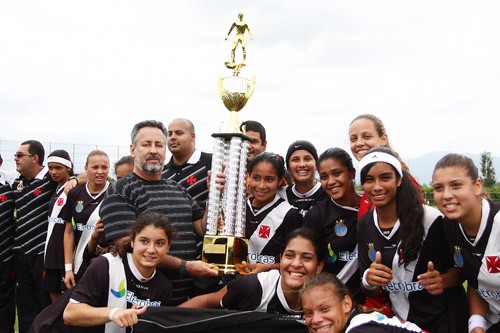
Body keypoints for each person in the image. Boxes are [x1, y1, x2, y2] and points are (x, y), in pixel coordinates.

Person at [99, 120, 217, 305]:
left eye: (159, 145)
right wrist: (185, 268)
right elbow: (126, 245)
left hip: (186, 299)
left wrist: (214, 194)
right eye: (146, 144)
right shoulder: (120, 190)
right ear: (133, 150)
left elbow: (203, 228)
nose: (153, 150)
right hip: (142, 301)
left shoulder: (177, 188)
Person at [357, 147, 468, 332]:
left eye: (385, 178)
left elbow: (464, 270)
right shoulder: (364, 224)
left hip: (445, 321)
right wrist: (370, 279)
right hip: (404, 324)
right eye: (369, 180)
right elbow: (368, 288)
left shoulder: (431, 219)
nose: (376, 186)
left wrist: (443, 280)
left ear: (399, 179)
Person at [63, 211, 175, 332]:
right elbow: (70, 314)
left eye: (159, 243)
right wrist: (113, 313)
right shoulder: (106, 265)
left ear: (168, 246)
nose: (151, 249)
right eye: (144, 241)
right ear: (132, 241)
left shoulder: (164, 287)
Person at [180, 227, 324, 314]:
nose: (296, 264)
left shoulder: (327, 298)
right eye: (289, 256)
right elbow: (205, 302)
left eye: (306, 258)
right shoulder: (253, 285)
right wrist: (162, 321)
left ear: (319, 266)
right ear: (281, 258)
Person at [12, 140, 76, 333]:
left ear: (34, 158)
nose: (15, 158)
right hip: (20, 254)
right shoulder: (17, 182)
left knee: (45, 305)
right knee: (23, 305)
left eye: (20, 154)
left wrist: (75, 180)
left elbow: (77, 175)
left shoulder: (50, 179)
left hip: (42, 255)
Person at [432, 153, 500, 332]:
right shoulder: (449, 226)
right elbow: (475, 278)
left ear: (477, 186)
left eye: (456, 185)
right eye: (439, 188)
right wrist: (476, 324)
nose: (446, 195)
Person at [303, 148, 363, 303]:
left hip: (372, 301)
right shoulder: (317, 215)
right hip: (332, 301)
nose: (330, 181)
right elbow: (310, 263)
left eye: (337, 173)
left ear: (352, 173)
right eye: (324, 177)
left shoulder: (372, 208)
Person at [348, 114, 424, 218]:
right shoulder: (369, 185)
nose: (359, 143)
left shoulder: (403, 181)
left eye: (367, 136)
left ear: (383, 139)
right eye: (353, 139)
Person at [300, 272, 425, 333]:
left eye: (325, 309)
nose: (315, 320)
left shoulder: (361, 328)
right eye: (308, 313)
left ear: (346, 304)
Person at [244, 152, 303, 272]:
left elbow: (297, 260)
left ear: (280, 181)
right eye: (256, 178)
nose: (261, 185)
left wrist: (267, 267)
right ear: (249, 177)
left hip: (272, 284)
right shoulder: (239, 208)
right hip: (236, 281)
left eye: (269, 179)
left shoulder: (289, 215)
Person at [62, 150, 110, 290]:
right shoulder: (74, 193)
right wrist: (68, 268)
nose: (100, 172)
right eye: (95, 167)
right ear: (85, 168)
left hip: (103, 265)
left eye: (104, 167)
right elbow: (68, 232)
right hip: (79, 265)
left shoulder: (114, 193)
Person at [41, 150, 74, 303]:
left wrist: (75, 180)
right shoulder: (54, 188)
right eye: (50, 167)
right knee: (53, 295)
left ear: (68, 168)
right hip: (50, 253)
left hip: (63, 254)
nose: (53, 172)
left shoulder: (72, 188)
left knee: (64, 299)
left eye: (58, 168)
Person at [163, 118, 212, 207]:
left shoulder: (211, 162)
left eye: (179, 133)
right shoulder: (162, 173)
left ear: (192, 136)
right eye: (169, 134)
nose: (173, 137)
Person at [284, 140, 327, 217]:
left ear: (316, 165)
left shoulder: (328, 193)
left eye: (307, 159)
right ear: (288, 167)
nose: (302, 164)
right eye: (295, 160)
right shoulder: (282, 195)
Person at [0, 152, 18, 333]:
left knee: (5, 302)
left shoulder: (9, 179)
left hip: (5, 255)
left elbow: (76, 176)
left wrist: (73, 181)